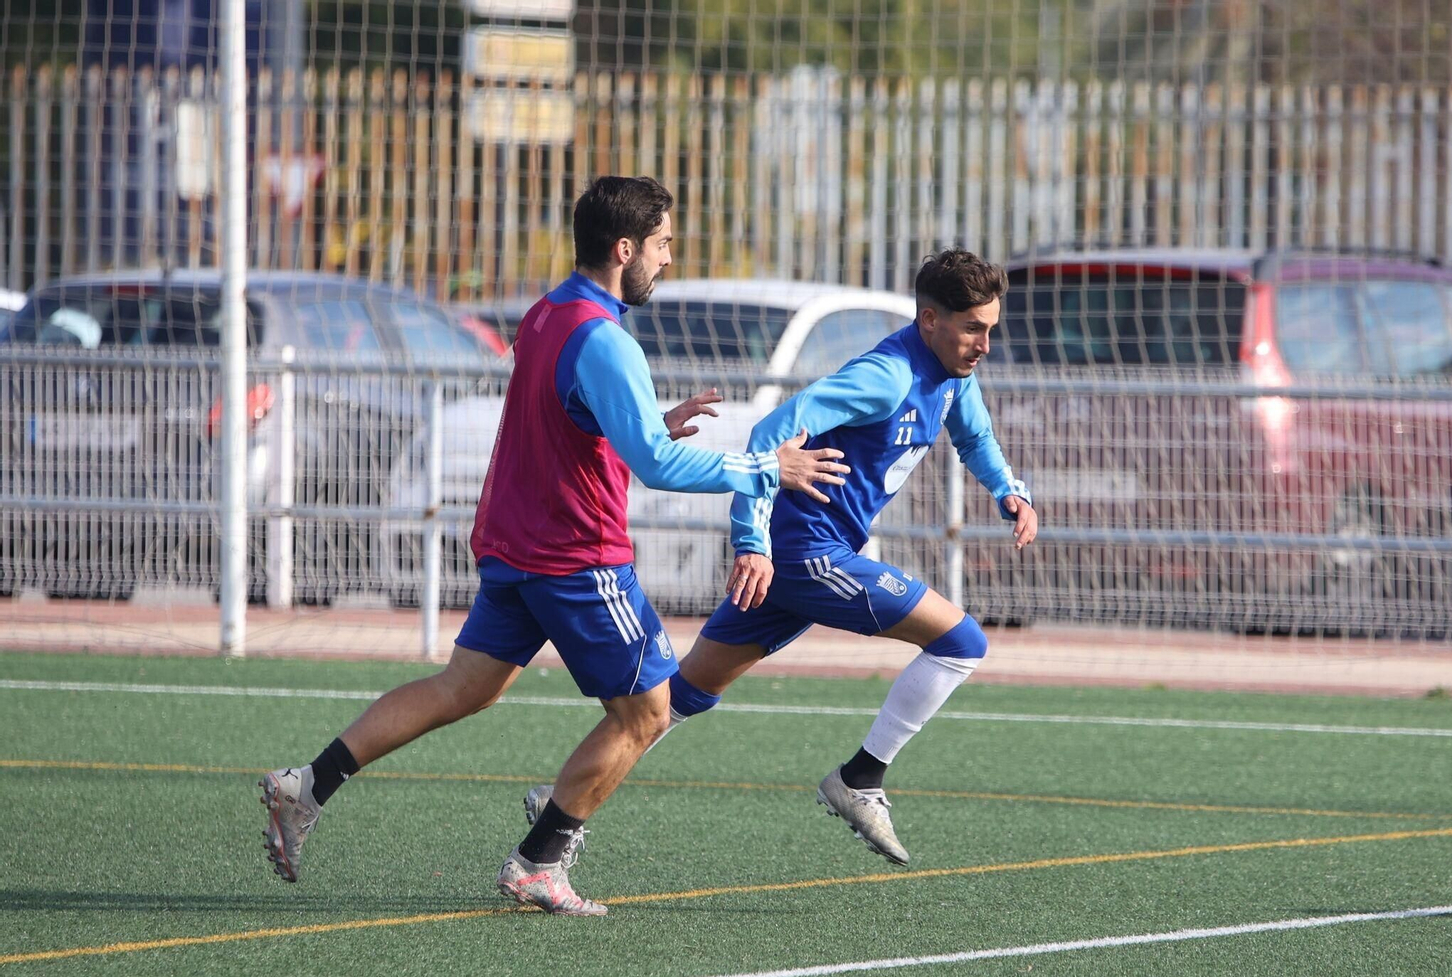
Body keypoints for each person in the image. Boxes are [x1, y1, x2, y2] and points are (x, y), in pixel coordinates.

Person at [258, 176, 849, 916]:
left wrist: (649, 420)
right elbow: (656, 468)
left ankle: (307, 784)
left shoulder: (548, 313)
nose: (669, 259)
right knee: (647, 714)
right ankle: (539, 860)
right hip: (576, 557)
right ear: (624, 248)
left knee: (462, 687)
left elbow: (571, 419)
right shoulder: (605, 338)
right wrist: (771, 467)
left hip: (514, 545)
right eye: (663, 245)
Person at [526, 248, 1037, 867]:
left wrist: (1010, 490)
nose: (984, 343)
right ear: (930, 321)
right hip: (803, 556)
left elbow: (975, 435)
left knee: (684, 694)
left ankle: (561, 804)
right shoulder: (887, 375)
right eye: (973, 328)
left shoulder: (955, 377)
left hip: (801, 559)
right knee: (962, 643)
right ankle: (861, 778)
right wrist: (752, 540)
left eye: (991, 329)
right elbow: (770, 434)